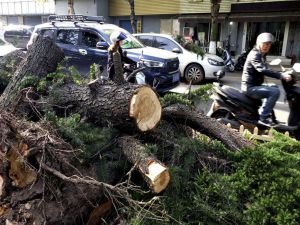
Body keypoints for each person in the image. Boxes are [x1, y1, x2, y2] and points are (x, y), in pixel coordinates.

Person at [241, 32, 292, 126]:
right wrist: (281, 76)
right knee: (275, 92)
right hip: (249, 87)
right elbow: (262, 69)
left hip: (255, 85)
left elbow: (267, 69)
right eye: (265, 44)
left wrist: (282, 73)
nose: (267, 46)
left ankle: (264, 111)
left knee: (274, 86)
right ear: (259, 43)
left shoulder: (261, 55)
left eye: (269, 45)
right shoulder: (255, 54)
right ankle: (263, 118)